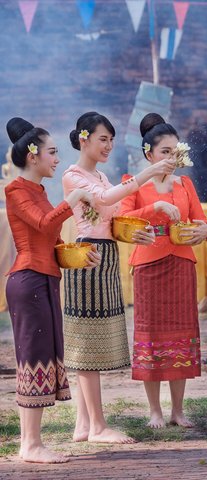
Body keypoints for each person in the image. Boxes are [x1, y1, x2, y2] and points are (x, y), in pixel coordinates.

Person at [62, 112, 176, 444]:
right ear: (84, 140)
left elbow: (115, 214)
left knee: (93, 342)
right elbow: (102, 201)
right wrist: (146, 176)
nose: (108, 145)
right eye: (103, 139)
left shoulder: (99, 174)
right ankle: (97, 426)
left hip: (105, 255)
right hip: (89, 257)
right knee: (87, 344)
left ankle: (84, 425)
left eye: (111, 139)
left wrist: (137, 229)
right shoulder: (74, 176)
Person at [5, 117, 100, 463]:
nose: (57, 159)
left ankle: (33, 442)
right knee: (33, 360)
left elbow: (52, 240)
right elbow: (44, 223)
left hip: (44, 280)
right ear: (33, 156)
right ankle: (29, 445)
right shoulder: (15, 190)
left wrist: (77, 257)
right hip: (27, 281)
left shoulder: (40, 192)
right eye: (53, 152)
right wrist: (73, 198)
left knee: (43, 358)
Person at [119, 113, 207, 428]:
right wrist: (155, 208)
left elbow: (202, 220)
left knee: (181, 336)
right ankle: (155, 411)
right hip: (148, 266)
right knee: (152, 336)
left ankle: (178, 410)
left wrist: (205, 230)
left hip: (182, 264)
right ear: (149, 154)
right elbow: (123, 219)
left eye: (176, 152)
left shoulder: (185, 183)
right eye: (165, 152)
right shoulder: (134, 184)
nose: (172, 158)